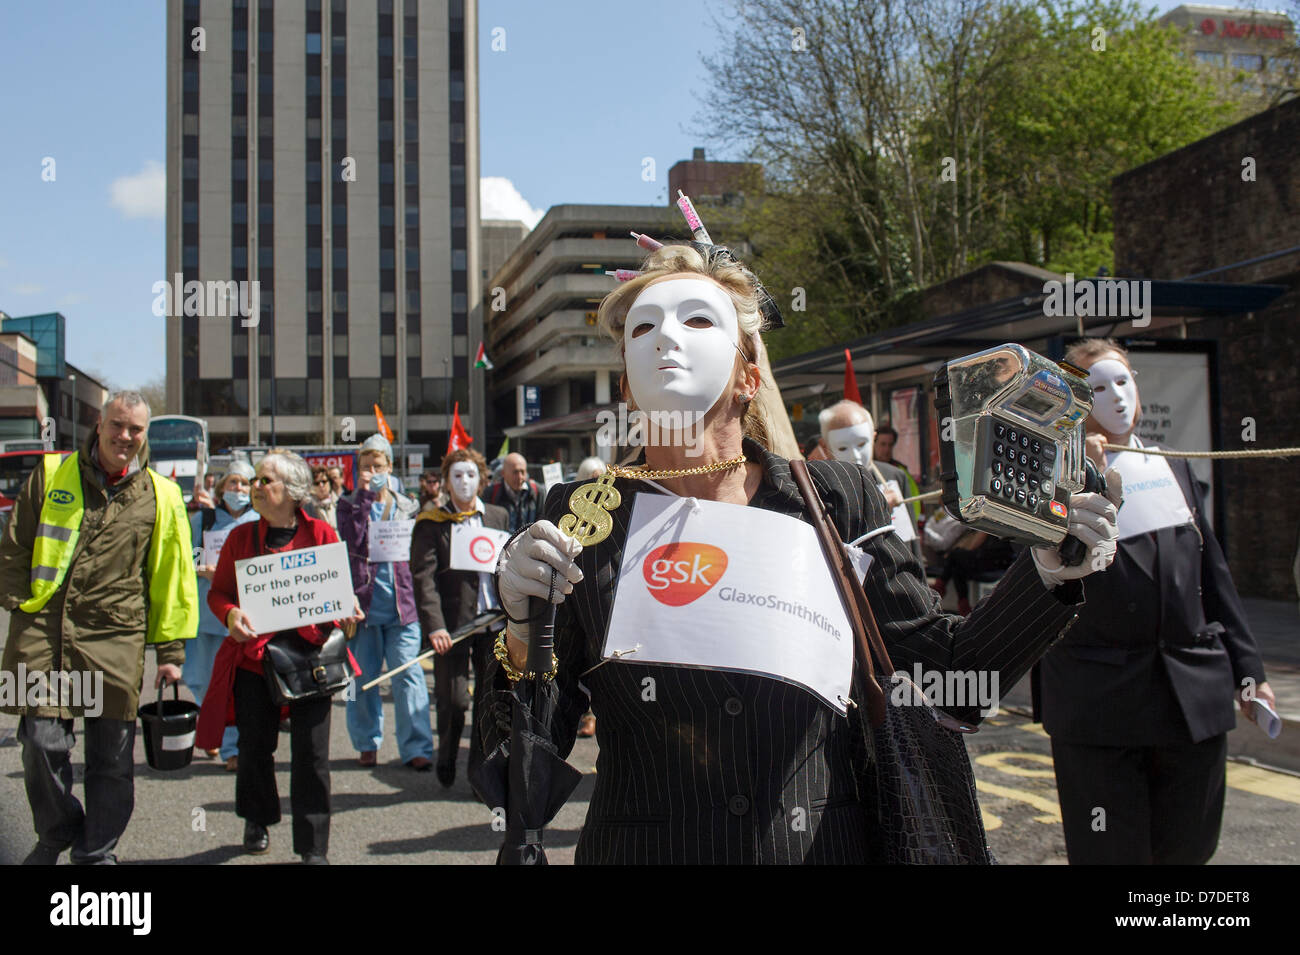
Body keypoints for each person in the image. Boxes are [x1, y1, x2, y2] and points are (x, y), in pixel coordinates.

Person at [484, 242, 1121, 864]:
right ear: (626, 382)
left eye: (698, 319)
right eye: (643, 327)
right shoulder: (583, 517)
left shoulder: (836, 501)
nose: (665, 338)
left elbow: (950, 682)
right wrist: (520, 631)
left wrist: (1048, 575)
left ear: (747, 376)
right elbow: (522, 776)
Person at [1034, 338, 1274, 865]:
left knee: (1188, 849)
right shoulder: (1051, 480)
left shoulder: (1174, 464)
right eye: (1097, 387)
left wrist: (1249, 671)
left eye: (1123, 381)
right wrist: (1080, 479)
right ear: (1073, 399)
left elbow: (1213, 576)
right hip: (1101, 705)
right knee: (1111, 853)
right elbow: (1048, 576)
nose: (1116, 397)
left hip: (1191, 696)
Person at [0, 391, 198, 865]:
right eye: (117, 425)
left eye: (135, 429)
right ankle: (58, 830)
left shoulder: (163, 494)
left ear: (145, 435)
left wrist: (170, 655)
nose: (125, 437)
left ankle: (96, 852)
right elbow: (14, 545)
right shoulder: (50, 474)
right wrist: (17, 603)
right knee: (40, 746)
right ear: (99, 424)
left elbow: (171, 578)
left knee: (111, 759)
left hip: (114, 637)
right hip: (45, 630)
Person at [197, 449, 363, 864]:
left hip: (312, 659)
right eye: (255, 479)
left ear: (291, 492)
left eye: (264, 480)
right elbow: (218, 593)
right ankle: (257, 818)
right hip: (256, 660)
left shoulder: (323, 534)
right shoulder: (239, 538)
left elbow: (340, 596)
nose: (254, 486)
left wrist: (349, 611)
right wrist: (230, 613)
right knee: (254, 748)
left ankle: (313, 846)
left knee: (312, 756)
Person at [409, 447, 509, 787]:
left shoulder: (498, 516)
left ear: (482, 480)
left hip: (493, 621)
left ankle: (480, 774)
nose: (464, 482)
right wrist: (435, 625)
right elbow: (424, 578)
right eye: (457, 475)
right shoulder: (431, 523)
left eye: (470, 475)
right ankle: (447, 757)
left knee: (488, 700)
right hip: (453, 626)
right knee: (453, 700)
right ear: (446, 483)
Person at [336, 434, 433, 770]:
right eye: (366, 466)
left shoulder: (409, 505)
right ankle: (366, 742)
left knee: (408, 675)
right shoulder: (347, 505)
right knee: (361, 679)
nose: (372, 471)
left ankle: (416, 746)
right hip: (363, 608)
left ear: (390, 467)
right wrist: (364, 497)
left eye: (378, 465)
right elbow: (352, 539)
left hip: (402, 607)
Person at [187, 461, 260, 769]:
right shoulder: (202, 520)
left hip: (243, 614)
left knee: (236, 684)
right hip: (206, 613)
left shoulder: (259, 521)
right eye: (233, 483)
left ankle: (232, 748)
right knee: (200, 679)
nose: (239, 490)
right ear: (221, 489)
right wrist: (199, 568)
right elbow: (187, 555)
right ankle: (213, 724)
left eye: (245, 484)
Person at [818, 400, 924, 568]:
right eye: (843, 447)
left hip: (902, 575)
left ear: (873, 437)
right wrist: (878, 507)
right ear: (825, 446)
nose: (856, 456)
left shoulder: (894, 475)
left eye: (862, 444)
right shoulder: (819, 487)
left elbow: (911, 540)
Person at [485, 452, 542, 532]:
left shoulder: (538, 492)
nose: (520, 477)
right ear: (503, 473)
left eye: (522, 472)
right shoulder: (490, 493)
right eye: (515, 472)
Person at [308, 465, 339, 530]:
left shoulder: (340, 503)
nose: (321, 485)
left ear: (330, 482)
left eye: (324, 481)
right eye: (317, 483)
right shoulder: (308, 508)